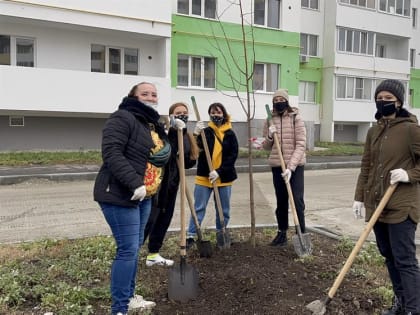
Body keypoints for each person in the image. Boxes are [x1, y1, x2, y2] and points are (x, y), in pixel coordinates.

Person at [93, 82, 170, 315]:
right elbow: (111, 152)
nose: (150, 97)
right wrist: (134, 183)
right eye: (144, 93)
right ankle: (119, 308)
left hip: (144, 196)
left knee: (134, 248)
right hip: (120, 194)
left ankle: (129, 297)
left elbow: (159, 154)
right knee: (127, 250)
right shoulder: (122, 117)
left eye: (154, 94)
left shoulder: (151, 123)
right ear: (133, 96)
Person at [353, 79, 420, 315]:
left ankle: (413, 308)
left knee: (404, 259)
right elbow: (366, 166)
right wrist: (359, 197)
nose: (383, 103)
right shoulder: (374, 130)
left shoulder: (411, 129)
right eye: (379, 99)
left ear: (399, 101)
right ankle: (400, 303)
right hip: (376, 205)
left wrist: (409, 174)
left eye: (388, 99)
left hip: (402, 205)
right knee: (388, 256)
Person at [143, 102, 199, 266]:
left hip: (173, 186)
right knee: (150, 219)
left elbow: (188, 163)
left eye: (184, 112)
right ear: (171, 116)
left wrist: (186, 150)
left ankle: (153, 253)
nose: (182, 115)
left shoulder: (186, 135)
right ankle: (132, 253)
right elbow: (166, 153)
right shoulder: (164, 133)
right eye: (178, 112)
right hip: (159, 184)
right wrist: (175, 132)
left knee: (164, 219)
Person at [186, 102, 238, 249]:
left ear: (224, 114)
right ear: (209, 115)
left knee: (223, 210)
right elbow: (194, 151)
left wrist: (219, 172)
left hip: (223, 178)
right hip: (204, 176)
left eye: (219, 112)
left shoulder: (230, 134)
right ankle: (191, 236)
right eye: (213, 113)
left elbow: (232, 156)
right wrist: (195, 134)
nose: (216, 115)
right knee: (199, 208)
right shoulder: (205, 132)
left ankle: (221, 234)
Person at [263, 89, 307, 246]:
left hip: (295, 167)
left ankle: (301, 233)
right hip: (277, 166)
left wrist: (291, 167)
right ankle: (282, 233)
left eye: (281, 99)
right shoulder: (269, 119)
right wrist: (269, 135)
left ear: (287, 101)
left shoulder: (296, 118)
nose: (278, 102)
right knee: (281, 201)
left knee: (297, 200)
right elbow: (266, 147)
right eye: (276, 100)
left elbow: (301, 144)